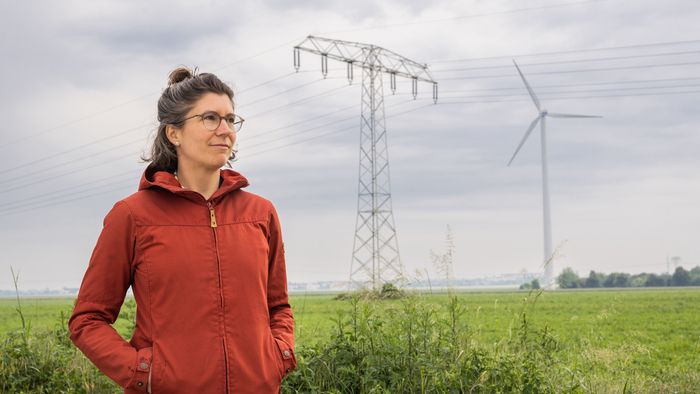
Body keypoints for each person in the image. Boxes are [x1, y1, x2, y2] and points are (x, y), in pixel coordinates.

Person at [69, 67, 296, 394]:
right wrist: (144, 374)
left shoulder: (261, 213)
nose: (225, 130)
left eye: (231, 119)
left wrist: (279, 355)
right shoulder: (132, 216)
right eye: (210, 118)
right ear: (173, 133)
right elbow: (87, 321)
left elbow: (278, 307)